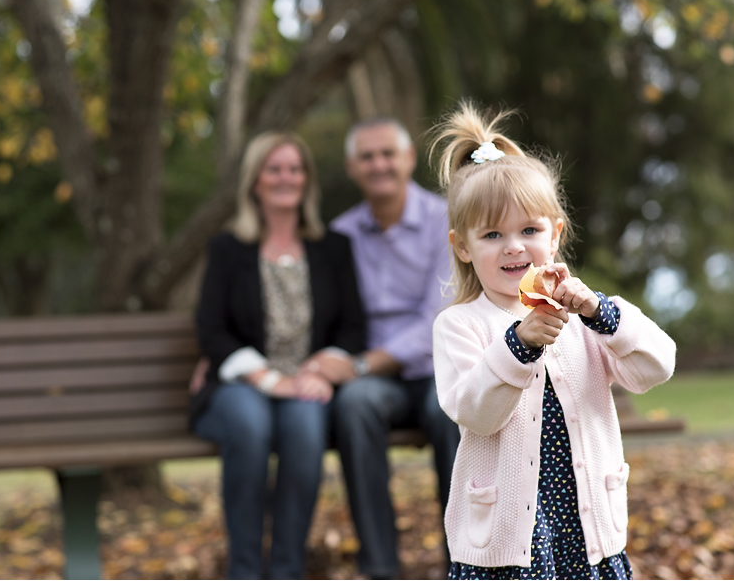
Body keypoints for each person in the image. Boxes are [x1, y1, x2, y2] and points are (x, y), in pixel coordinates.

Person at [428, 101, 676, 580]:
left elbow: (657, 365)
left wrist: (601, 312)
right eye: (493, 234)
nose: (514, 246)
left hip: (589, 531)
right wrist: (518, 345)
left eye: (529, 230)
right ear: (463, 246)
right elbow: (476, 412)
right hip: (506, 543)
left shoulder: (584, 314)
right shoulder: (461, 325)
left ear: (555, 233)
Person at [191, 131, 366, 580]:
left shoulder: (334, 247)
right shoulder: (228, 249)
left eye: (295, 168)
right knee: (250, 426)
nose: (286, 177)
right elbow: (211, 329)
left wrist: (324, 370)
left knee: (307, 427)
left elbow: (352, 326)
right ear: (255, 181)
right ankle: (244, 571)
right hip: (242, 384)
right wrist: (269, 379)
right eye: (275, 169)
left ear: (307, 179)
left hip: (306, 382)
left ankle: (287, 571)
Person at [301, 116, 461, 579]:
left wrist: (359, 364)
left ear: (409, 158)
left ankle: (466, 563)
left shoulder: (446, 220)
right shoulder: (340, 234)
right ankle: (381, 567)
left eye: (388, 153)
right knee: (354, 406)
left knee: (451, 410)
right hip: (374, 382)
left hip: (439, 367)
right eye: (367, 157)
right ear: (352, 167)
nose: (379, 165)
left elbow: (439, 317)